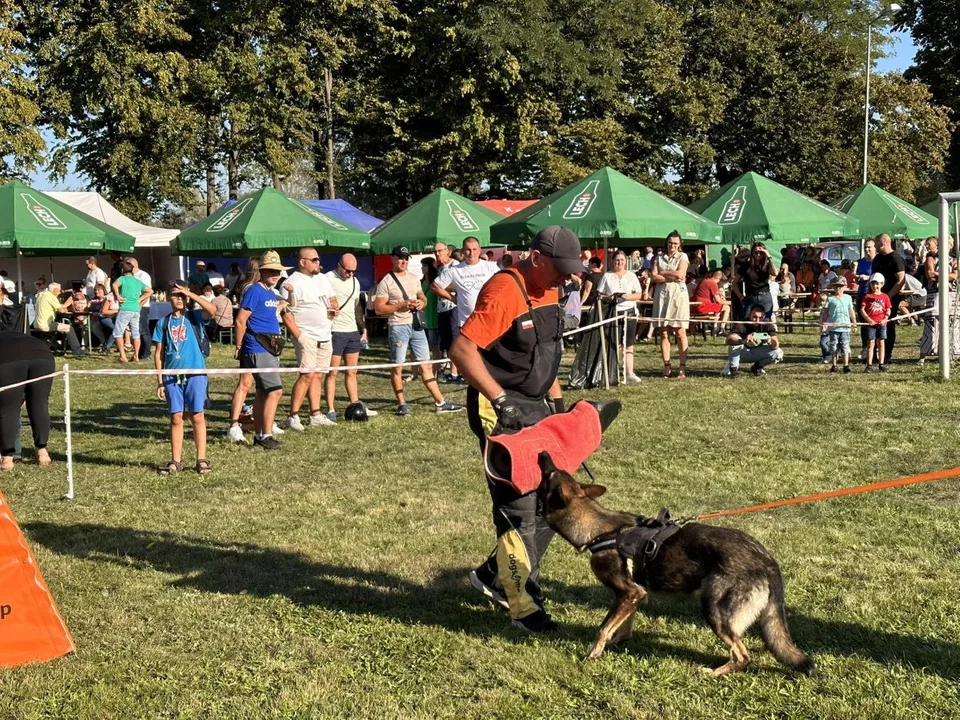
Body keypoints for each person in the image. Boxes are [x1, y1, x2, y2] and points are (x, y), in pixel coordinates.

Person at [451, 225, 581, 634]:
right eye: (560, 268)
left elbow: (545, 354)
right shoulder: (505, 290)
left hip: (537, 407)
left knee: (551, 500)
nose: (567, 276)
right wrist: (499, 400)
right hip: (500, 409)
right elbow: (462, 350)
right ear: (537, 258)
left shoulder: (553, 287)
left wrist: (557, 406)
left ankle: (494, 574)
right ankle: (523, 606)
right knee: (518, 510)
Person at [374, 246, 464, 417]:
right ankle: (402, 404)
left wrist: (421, 303)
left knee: (426, 365)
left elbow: (421, 295)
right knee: (397, 367)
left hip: (416, 326)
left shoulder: (414, 278)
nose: (403, 261)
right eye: (400, 258)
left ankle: (440, 402)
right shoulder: (386, 281)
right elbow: (379, 309)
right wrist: (401, 305)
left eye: (406, 258)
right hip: (398, 326)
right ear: (392, 259)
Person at [152, 281, 216, 475]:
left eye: (182, 296)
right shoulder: (163, 322)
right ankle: (175, 460)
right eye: (175, 295)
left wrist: (190, 293)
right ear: (168, 298)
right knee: (176, 417)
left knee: (197, 415)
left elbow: (212, 309)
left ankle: (201, 459)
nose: (179, 299)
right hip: (172, 375)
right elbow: (158, 353)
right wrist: (160, 381)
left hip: (195, 373)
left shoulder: (194, 317)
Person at [233, 250, 290, 449]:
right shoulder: (255, 291)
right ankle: (265, 434)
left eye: (278, 271)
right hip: (258, 347)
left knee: (262, 393)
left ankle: (259, 435)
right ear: (262, 271)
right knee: (275, 391)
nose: (275, 275)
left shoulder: (269, 292)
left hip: (268, 347)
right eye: (271, 271)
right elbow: (240, 320)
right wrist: (239, 346)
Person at [281, 247, 337, 430]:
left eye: (318, 259)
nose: (318, 263)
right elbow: (285, 313)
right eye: (314, 260)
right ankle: (293, 416)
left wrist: (334, 307)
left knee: (318, 375)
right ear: (302, 262)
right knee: (306, 375)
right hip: (306, 335)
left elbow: (333, 299)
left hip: (325, 334)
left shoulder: (323, 278)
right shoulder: (291, 283)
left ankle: (315, 413)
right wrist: (300, 336)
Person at [324, 253, 377, 420]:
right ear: (339, 266)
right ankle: (331, 409)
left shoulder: (355, 281)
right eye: (348, 271)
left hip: (352, 331)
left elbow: (357, 307)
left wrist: (363, 329)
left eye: (353, 271)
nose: (350, 274)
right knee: (332, 372)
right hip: (335, 331)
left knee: (352, 371)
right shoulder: (327, 279)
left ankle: (355, 403)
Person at [0, 331, 57, 471]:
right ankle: (42, 452)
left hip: (9, 359)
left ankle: (7, 459)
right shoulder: (14, 335)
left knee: (8, 407)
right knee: (39, 403)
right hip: (43, 356)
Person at [431, 235, 499, 347]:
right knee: (471, 355)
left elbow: (504, 283)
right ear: (463, 251)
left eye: (474, 249)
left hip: (489, 320)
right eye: (468, 249)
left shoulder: (491, 267)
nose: (471, 253)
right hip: (467, 322)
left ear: (479, 250)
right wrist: (452, 298)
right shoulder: (455, 270)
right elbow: (435, 286)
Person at [597, 249, 643, 383]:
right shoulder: (607, 276)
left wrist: (627, 296)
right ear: (612, 261)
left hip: (629, 311)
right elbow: (600, 294)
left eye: (622, 260)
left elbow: (638, 294)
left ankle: (629, 372)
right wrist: (611, 297)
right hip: (613, 312)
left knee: (628, 343)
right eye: (617, 260)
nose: (619, 263)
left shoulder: (631, 276)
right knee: (613, 343)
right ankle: (613, 372)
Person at [651, 231, 690, 379]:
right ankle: (667, 366)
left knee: (680, 331)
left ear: (679, 244)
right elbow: (654, 276)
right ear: (666, 243)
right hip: (662, 295)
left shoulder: (683, 256)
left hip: (678, 295)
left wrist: (664, 272)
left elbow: (680, 275)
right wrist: (669, 275)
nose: (672, 246)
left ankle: (682, 367)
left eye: (675, 243)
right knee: (664, 331)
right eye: (670, 243)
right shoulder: (659, 257)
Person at [871, 233, 906, 364]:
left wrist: (888, 296)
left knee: (888, 326)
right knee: (873, 326)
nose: (875, 246)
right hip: (875, 298)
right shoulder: (877, 258)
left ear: (883, 243)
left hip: (889, 298)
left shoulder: (896, 258)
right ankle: (872, 354)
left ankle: (887, 354)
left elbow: (901, 280)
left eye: (876, 243)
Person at [104, 261, 149, 362]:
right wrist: (140, 300)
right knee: (135, 333)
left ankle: (123, 356)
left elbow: (114, 285)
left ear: (122, 270)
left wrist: (118, 296)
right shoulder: (137, 281)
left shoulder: (122, 279)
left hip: (125, 308)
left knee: (118, 332)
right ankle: (136, 356)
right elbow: (150, 291)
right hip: (136, 310)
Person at [721, 304, 783, 377]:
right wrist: (743, 340)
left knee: (778, 353)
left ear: (764, 317)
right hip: (742, 353)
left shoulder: (767, 325)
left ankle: (757, 367)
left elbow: (776, 345)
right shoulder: (742, 324)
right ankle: (733, 370)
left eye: (760, 318)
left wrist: (771, 340)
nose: (757, 320)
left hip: (757, 352)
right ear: (749, 315)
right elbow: (729, 339)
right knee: (734, 346)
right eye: (754, 317)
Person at [431, 242, 461, 382]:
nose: (438, 254)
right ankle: (451, 370)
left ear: (447, 251)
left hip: (453, 307)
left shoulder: (455, 265)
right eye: (435, 251)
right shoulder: (440, 268)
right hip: (441, 308)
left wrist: (443, 288)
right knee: (446, 342)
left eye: (440, 251)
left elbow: (456, 285)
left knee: (454, 340)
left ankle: (455, 372)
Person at [32, 282, 87, 356]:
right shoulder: (51, 296)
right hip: (46, 324)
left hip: (37, 323)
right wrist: (68, 309)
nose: (60, 293)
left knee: (50, 334)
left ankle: (43, 350)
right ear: (54, 290)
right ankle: (77, 350)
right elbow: (61, 310)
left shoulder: (41, 294)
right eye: (59, 291)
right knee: (69, 328)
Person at [820, 277, 856, 373]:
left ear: (845, 287)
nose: (838, 289)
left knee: (845, 346)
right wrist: (824, 324)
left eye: (840, 286)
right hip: (833, 328)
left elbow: (851, 310)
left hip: (845, 328)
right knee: (833, 347)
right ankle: (834, 365)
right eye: (836, 286)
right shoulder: (830, 299)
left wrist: (854, 322)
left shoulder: (848, 298)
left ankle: (846, 365)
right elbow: (826, 312)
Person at [861, 273, 891, 373]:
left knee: (881, 343)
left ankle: (881, 364)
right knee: (870, 343)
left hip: (882, 324)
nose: (875, 286)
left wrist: (885, 318)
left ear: (882, 284)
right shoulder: (867, 296)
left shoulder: (885, 297)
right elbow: (862, 309)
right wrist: (868, 319)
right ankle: (869, 364)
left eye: (877, 284)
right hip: (871, 324)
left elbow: (888, 309)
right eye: (873, 284)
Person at [127, 256, 154, 360]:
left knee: (143, 330)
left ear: (133, 265)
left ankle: (147, 353)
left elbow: (147, 292)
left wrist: (139, 304)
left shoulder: (143, 276)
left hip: (142, 307)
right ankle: (138, 353)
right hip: (132, 306)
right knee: (136, 331)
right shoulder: (130, 276)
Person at [855, 238, 877, 357]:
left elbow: (879, 278)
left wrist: (867, 278)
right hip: (861, 292)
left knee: (873, 320)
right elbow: (857, 277)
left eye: (869, 247)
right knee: (863, 321)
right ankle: (864, 347)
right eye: (865, 247)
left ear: (875, 248)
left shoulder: (877, 262)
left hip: (872, 294)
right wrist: (857, 277)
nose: (867, 249)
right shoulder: (861, 262)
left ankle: (875, 348)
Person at [693, 268, 731, 334]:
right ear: (719, 279)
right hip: (702, 306)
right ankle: (722, 329)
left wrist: (719, 294)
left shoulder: (705, 281)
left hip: (696, 306)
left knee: (719, 307)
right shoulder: (712, 283)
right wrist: (731, 302)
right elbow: (718, 301)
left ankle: (715, 328)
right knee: (727, 307)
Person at [89, 283, 119, 348]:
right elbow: (88, 310)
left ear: (103, 290)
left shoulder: (108, 298)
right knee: (95, 328)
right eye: (95, 290)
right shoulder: (92, 300)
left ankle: (108, 346)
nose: (96, 291)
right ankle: (104, 342)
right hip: (98, 319)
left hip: (111, 317)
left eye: (98, 290)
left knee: (116, 329)